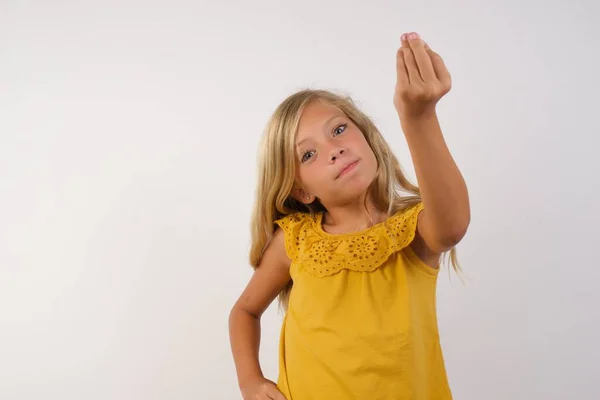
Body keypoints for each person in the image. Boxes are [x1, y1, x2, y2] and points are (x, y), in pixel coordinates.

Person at [229, 31, 470, 400]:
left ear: (368, 135)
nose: (334, 150)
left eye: (339, 130)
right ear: (301, 191)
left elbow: (452, 226)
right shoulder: (295, 240)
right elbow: (245, 311)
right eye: (308, 155)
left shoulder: (412, 231)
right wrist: (251, 380)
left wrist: (418, 117)